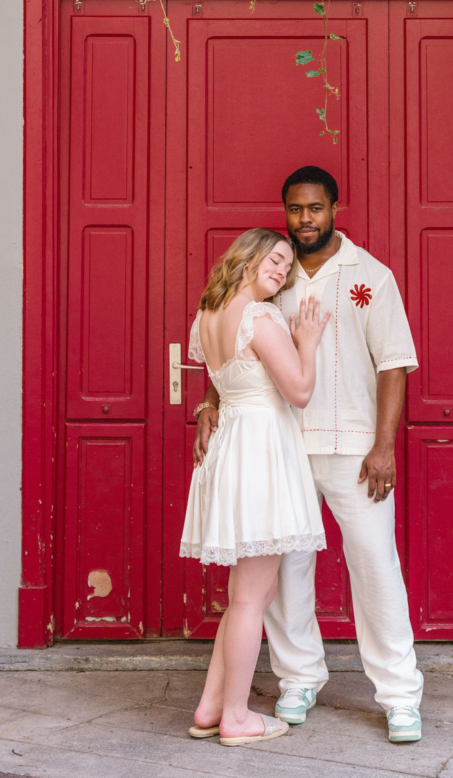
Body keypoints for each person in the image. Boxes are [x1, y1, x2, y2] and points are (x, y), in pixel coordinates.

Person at [194, 167, 425, 744]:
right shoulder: (273, 276)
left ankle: (399, 695)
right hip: (285, 450)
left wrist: (384, 446)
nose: (305, 220)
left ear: (334, 208)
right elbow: (233, 356)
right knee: (285, 578)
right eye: (296, 210)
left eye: (315, 209)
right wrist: (206, 404)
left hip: (353, 451)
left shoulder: (369, 275)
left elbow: (393, 362)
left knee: (375, 567)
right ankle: (297, 678)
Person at [180, 227, 331, 746]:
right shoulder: (260, 316)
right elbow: (300, 390)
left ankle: (210, 706)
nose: (282, 271)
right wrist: (307, 342)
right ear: (247, 258)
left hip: (235, 447)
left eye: (287, 267)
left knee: (248, 592)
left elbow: (225, 385)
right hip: (261, 449)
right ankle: (238, 717)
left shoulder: (207, 316)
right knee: (250, 597)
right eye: (275, 260)